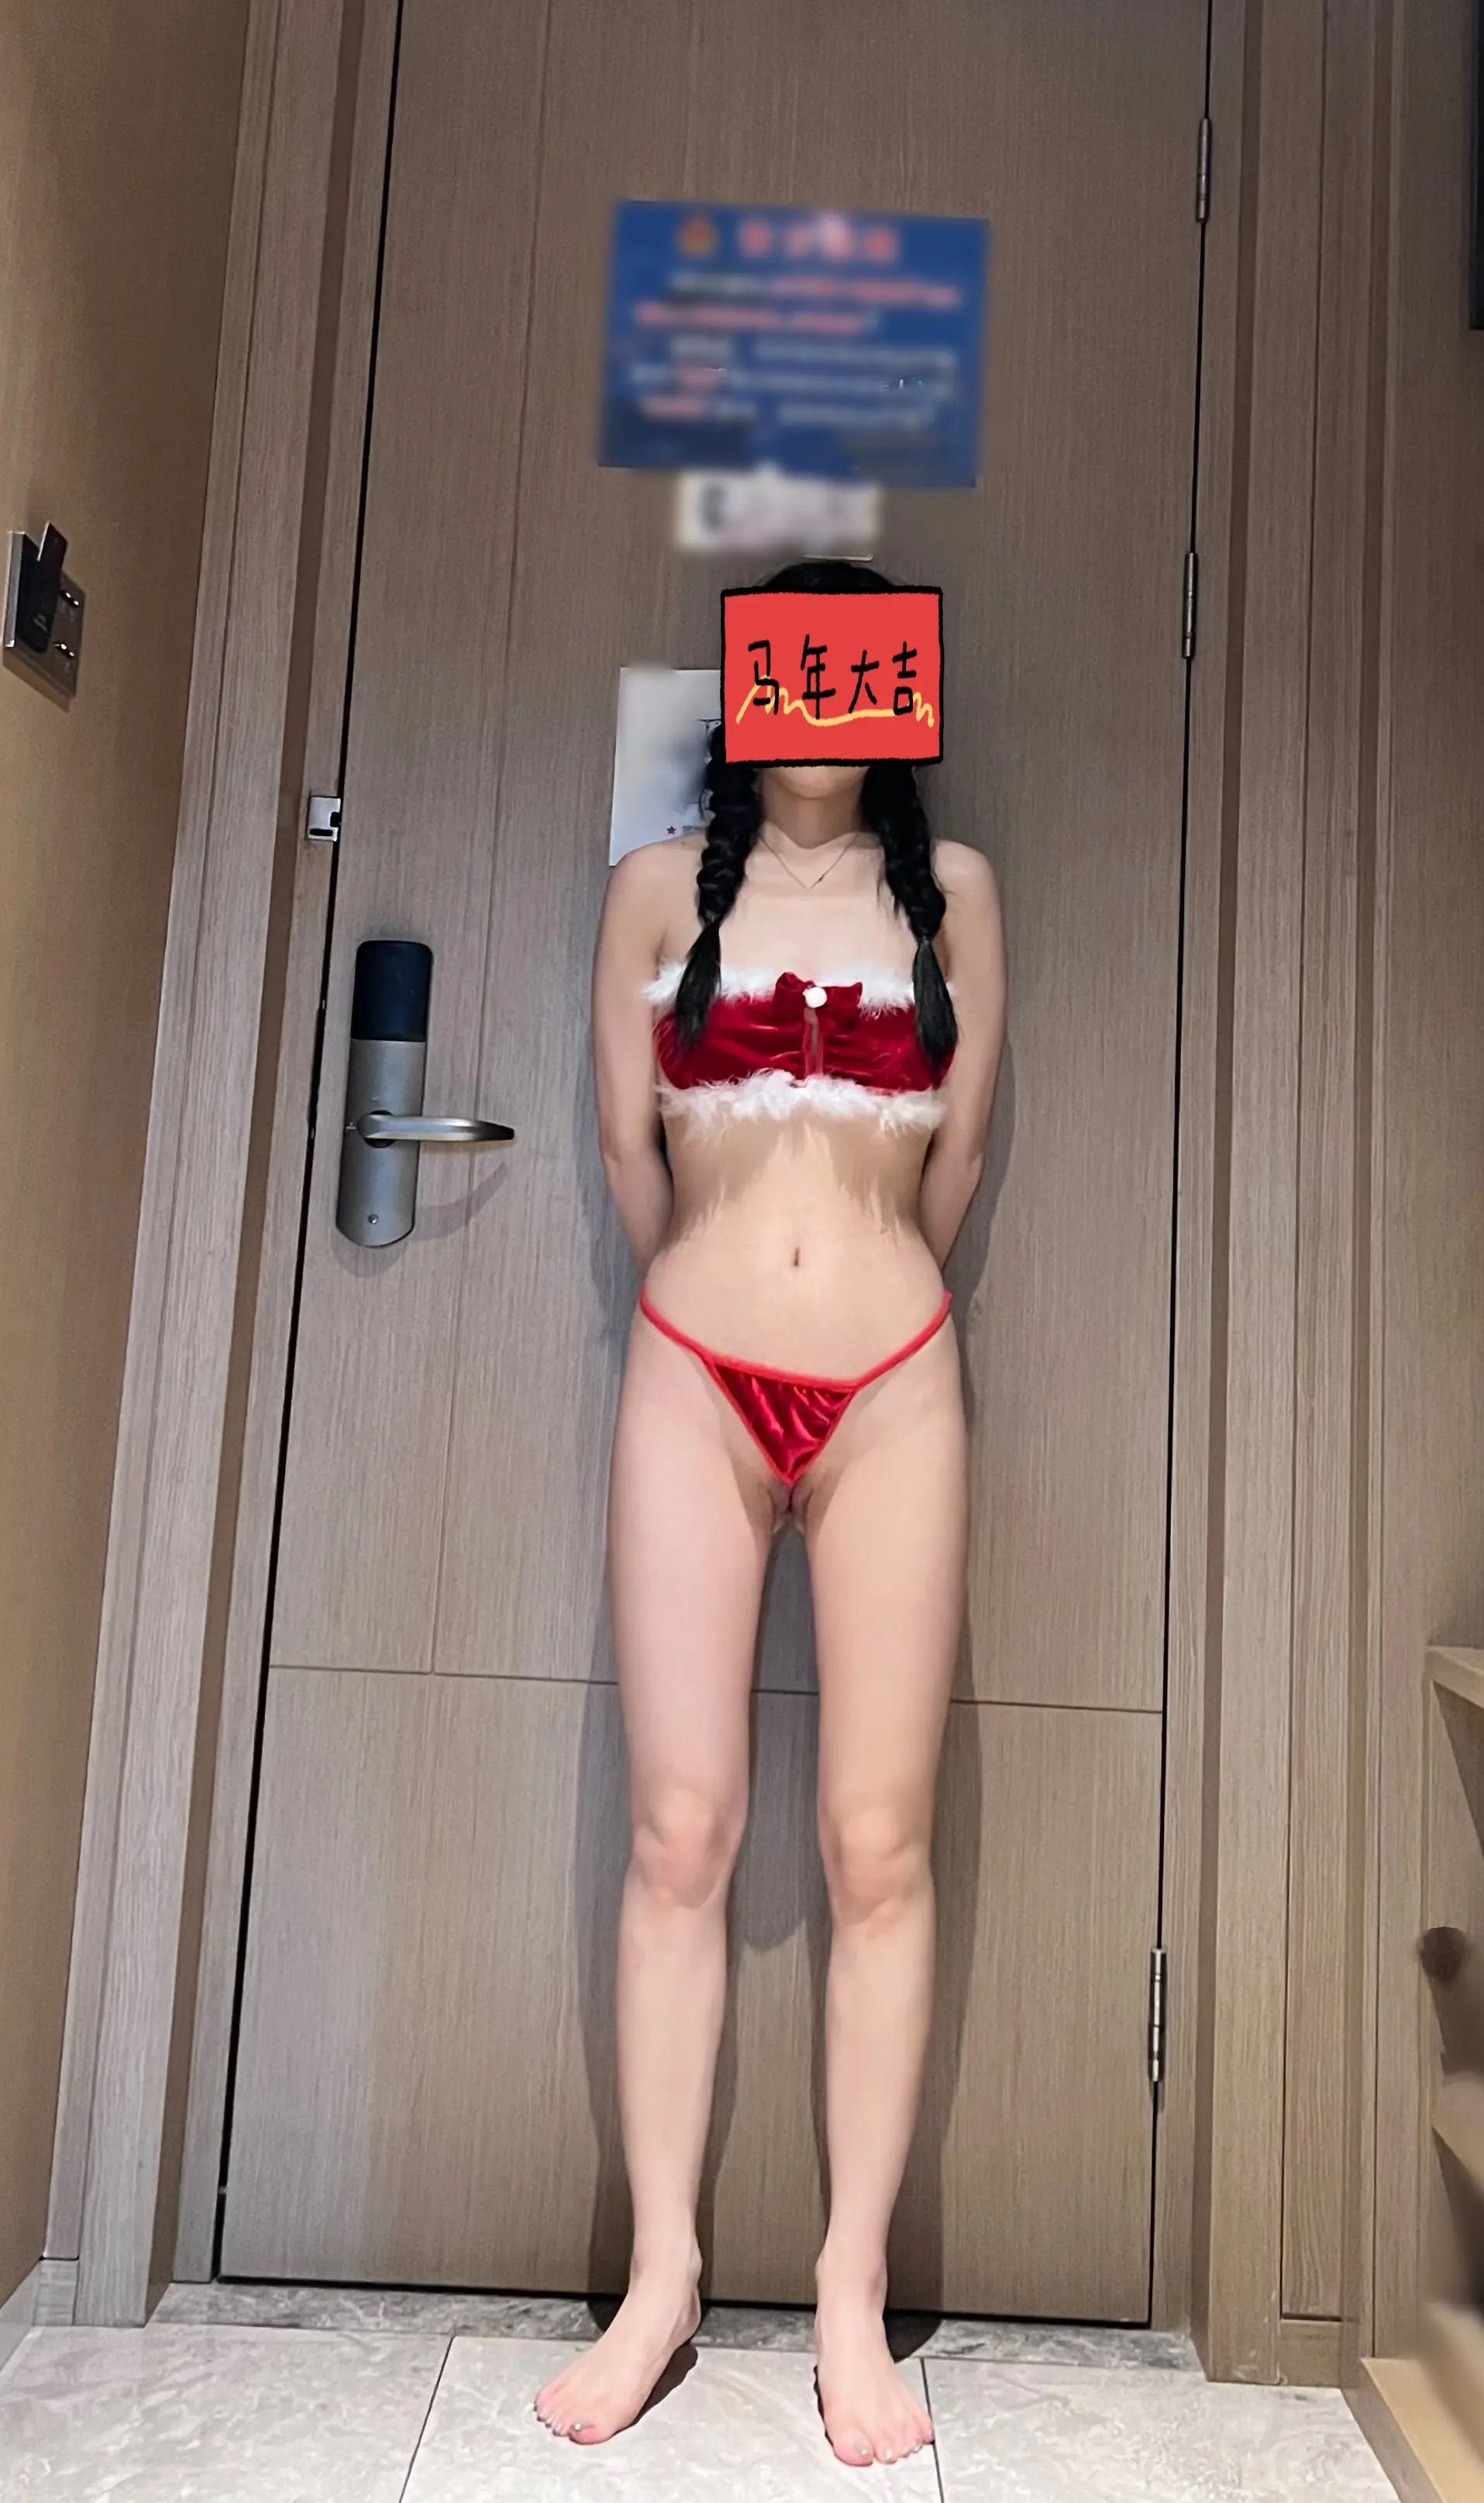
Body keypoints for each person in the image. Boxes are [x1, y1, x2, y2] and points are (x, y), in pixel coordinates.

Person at [534, 562, 1005, 2468]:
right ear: (748, 694)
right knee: (680, 1831)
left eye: (860, 672)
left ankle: (849, 2292)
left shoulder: (956, 892)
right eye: (796, 672)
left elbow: (956, 1166)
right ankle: (661, 2276)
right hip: (690, 1376)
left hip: (895, 1388)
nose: (826, 704)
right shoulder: (657, 893)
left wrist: (856, 1289)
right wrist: (723, 1289)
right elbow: (627, 1154)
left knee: (879, 1845)